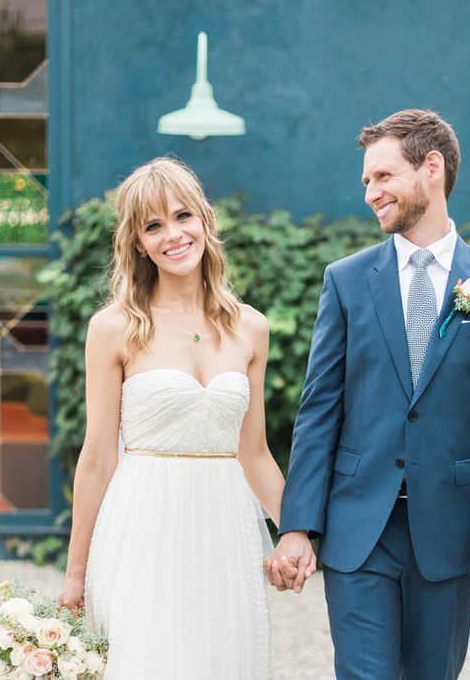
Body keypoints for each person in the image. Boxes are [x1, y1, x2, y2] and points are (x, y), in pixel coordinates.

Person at [266, 109, 470, 679]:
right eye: (366, 181)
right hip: (358, 528)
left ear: (431, 168)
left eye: (383, 177)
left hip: (450, 532)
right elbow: (318, 410)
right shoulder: (345, 281)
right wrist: (296, 526)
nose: (371, 193)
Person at [58, 157, 283, 678]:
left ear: (204, 220)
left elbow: (253, 453)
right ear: (138, 242)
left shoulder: (251, 328)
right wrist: (75, 573)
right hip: (142, 525)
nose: (173, 235)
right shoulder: (113, 328)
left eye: (183, 216)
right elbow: (96, 458)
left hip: (224, 533)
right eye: (153, 226)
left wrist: (297, 534)